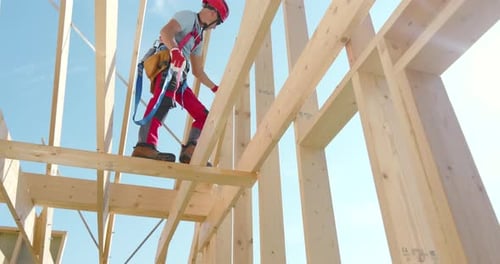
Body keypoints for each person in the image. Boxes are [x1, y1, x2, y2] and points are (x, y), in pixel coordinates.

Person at [131, 0, 229, 164]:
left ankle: (191, 151)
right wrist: (175, 51)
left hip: (179, 76)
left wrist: (215, 88)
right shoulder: (188, 17)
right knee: (163, 101)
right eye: (217, 23)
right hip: (168, 65)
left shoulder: (199, 38)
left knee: (203, 116)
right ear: (213, 14)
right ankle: (145, 145)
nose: (215, 27)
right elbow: (166, 32)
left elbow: (198, 71)